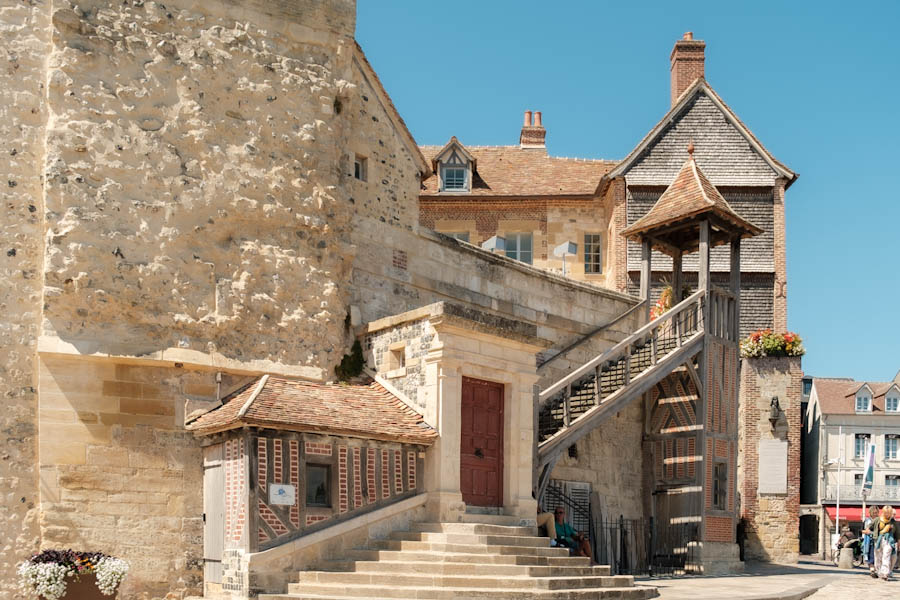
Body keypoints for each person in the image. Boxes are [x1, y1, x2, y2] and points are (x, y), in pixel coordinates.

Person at [873, 505, 900, 580]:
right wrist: (869, 532)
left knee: (886, 556)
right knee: (878, 557)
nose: (887, 514)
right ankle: (879, 571)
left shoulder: (894, 522)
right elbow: (870, 527)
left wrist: (898, 543)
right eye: (886, 512)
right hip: (878, 540)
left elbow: (898, 534)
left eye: (889, 513)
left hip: (889, 541)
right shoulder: (878, 520)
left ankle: (885, 573)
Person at [862, 506, 880, 577]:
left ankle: (875, 570)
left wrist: (872, 533)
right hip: (868, 541)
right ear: (870, 513)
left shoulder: (880, 520)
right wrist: (866, 532)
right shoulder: (867, 521)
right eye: (874, 512)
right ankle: (872, 570)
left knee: (877, 556)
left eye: (876, 512)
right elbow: (862, 530)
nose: (875, 514)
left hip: (877, 540)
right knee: (870, 555)